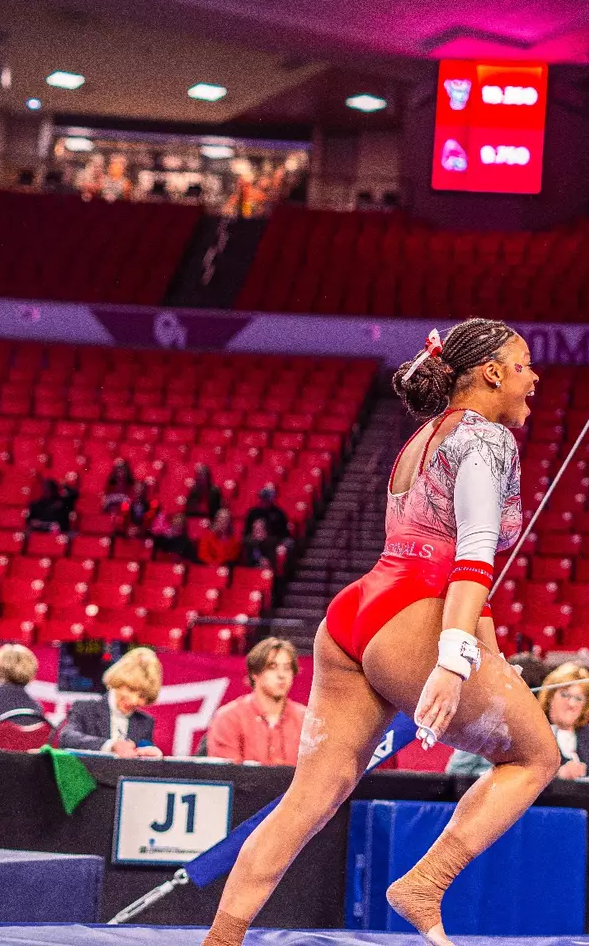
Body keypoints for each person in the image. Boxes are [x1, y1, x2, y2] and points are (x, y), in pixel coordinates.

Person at [198, 318, 552, 946]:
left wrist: (485, 651)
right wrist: (454, 657)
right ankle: (425, 885)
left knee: (309, 798)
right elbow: (471, 554)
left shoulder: (423, 437)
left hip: (359, 611)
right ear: (493, 373)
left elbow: (436, 552)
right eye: (524, 365)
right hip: (417, 614)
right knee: (536, 756)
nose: (535, 378)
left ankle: (220, 940)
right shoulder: (487, 438)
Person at [207, 638, 307, 766]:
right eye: (272, 667)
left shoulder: (306, 720)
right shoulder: (229, 718)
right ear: (255, 673)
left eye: (287, 668)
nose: (281, 675)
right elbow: (226, 773)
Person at [57, 647, 164, 758]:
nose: (134, 700)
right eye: (131, 689)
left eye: (142, 696)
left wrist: (153, 756)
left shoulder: (145, 722)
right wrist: (110, 745)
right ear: (118, 680)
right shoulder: (85, 709)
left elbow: (144, 753)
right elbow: (67, 738)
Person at [538, 662, 589, 781]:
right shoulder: (534, 737)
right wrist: (558, 776)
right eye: (565, 695)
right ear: (550, 697)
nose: (571, 704)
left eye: (578, 698)